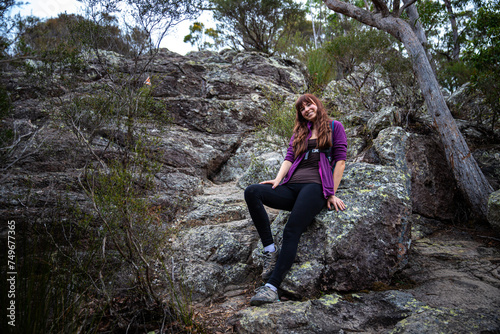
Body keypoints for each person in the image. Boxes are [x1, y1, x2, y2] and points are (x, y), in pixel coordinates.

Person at [244, 93, 347, 306]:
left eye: (309, 105)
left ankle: (272, 287)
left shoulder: (335, 126)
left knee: (291, 230)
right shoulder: (300, 131)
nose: (306, 109)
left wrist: (331, 192)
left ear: (317, 104)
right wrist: (277, 180)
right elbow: (289, 158)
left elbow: (340, 162)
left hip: (315, 187)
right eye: (302, 108)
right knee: (252, 191)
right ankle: (269, 250)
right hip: (291, 186)